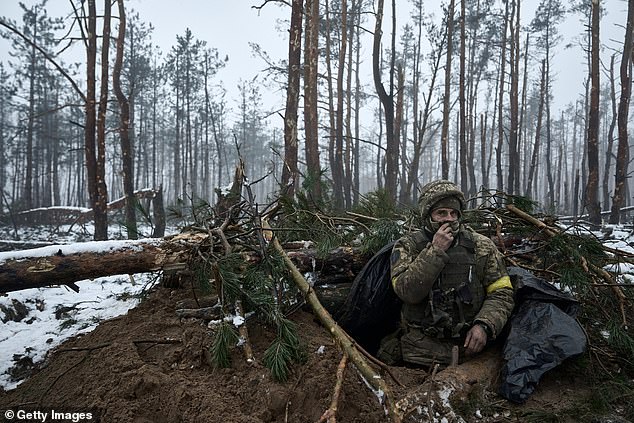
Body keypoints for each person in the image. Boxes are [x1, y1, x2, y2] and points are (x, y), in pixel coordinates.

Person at [378, 180, 514, 367]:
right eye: (441, 213)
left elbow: (502, 292)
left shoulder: (481, 245)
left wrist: (485, 325)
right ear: (428, 216)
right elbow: (407, 292)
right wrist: (435, 251)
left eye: (453, 213)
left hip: (470, 351)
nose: (448, 219)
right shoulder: (407, 246)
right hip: (419, 352)